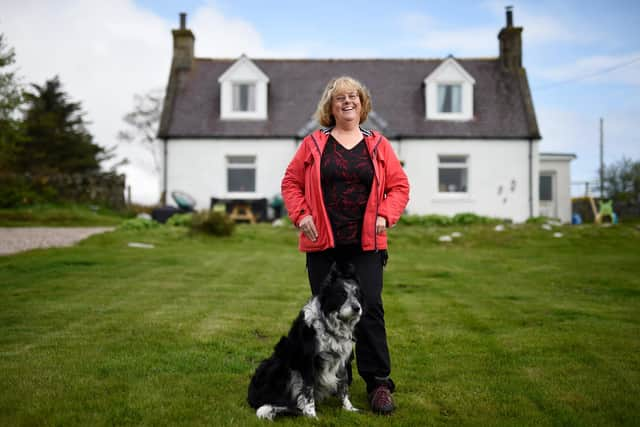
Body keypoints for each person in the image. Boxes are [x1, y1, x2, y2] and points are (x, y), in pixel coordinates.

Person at [281, 76, 410, 414]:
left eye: (353, 96)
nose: (347, 101)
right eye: (340, 98)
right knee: (327, 316)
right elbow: (291, 182)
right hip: (322, 243)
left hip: (365, 243)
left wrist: (386, 213)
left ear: (362, 104)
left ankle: (379, 384)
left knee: (369, 312)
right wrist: (301, 213)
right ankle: (337, 385)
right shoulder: (313, 144)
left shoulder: (378, 145)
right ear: (331, 106)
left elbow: (399, 187)